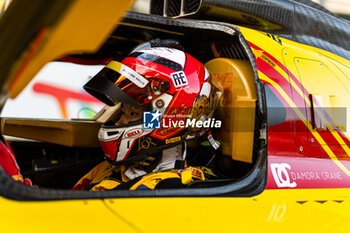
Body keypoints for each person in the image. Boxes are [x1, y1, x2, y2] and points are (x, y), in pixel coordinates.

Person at [0, 46, 223, 191]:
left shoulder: (168, 190)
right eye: (122, 112)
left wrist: (15, 184)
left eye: (132, 114)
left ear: (167, 120)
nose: (118, 123)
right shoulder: (116, 169)